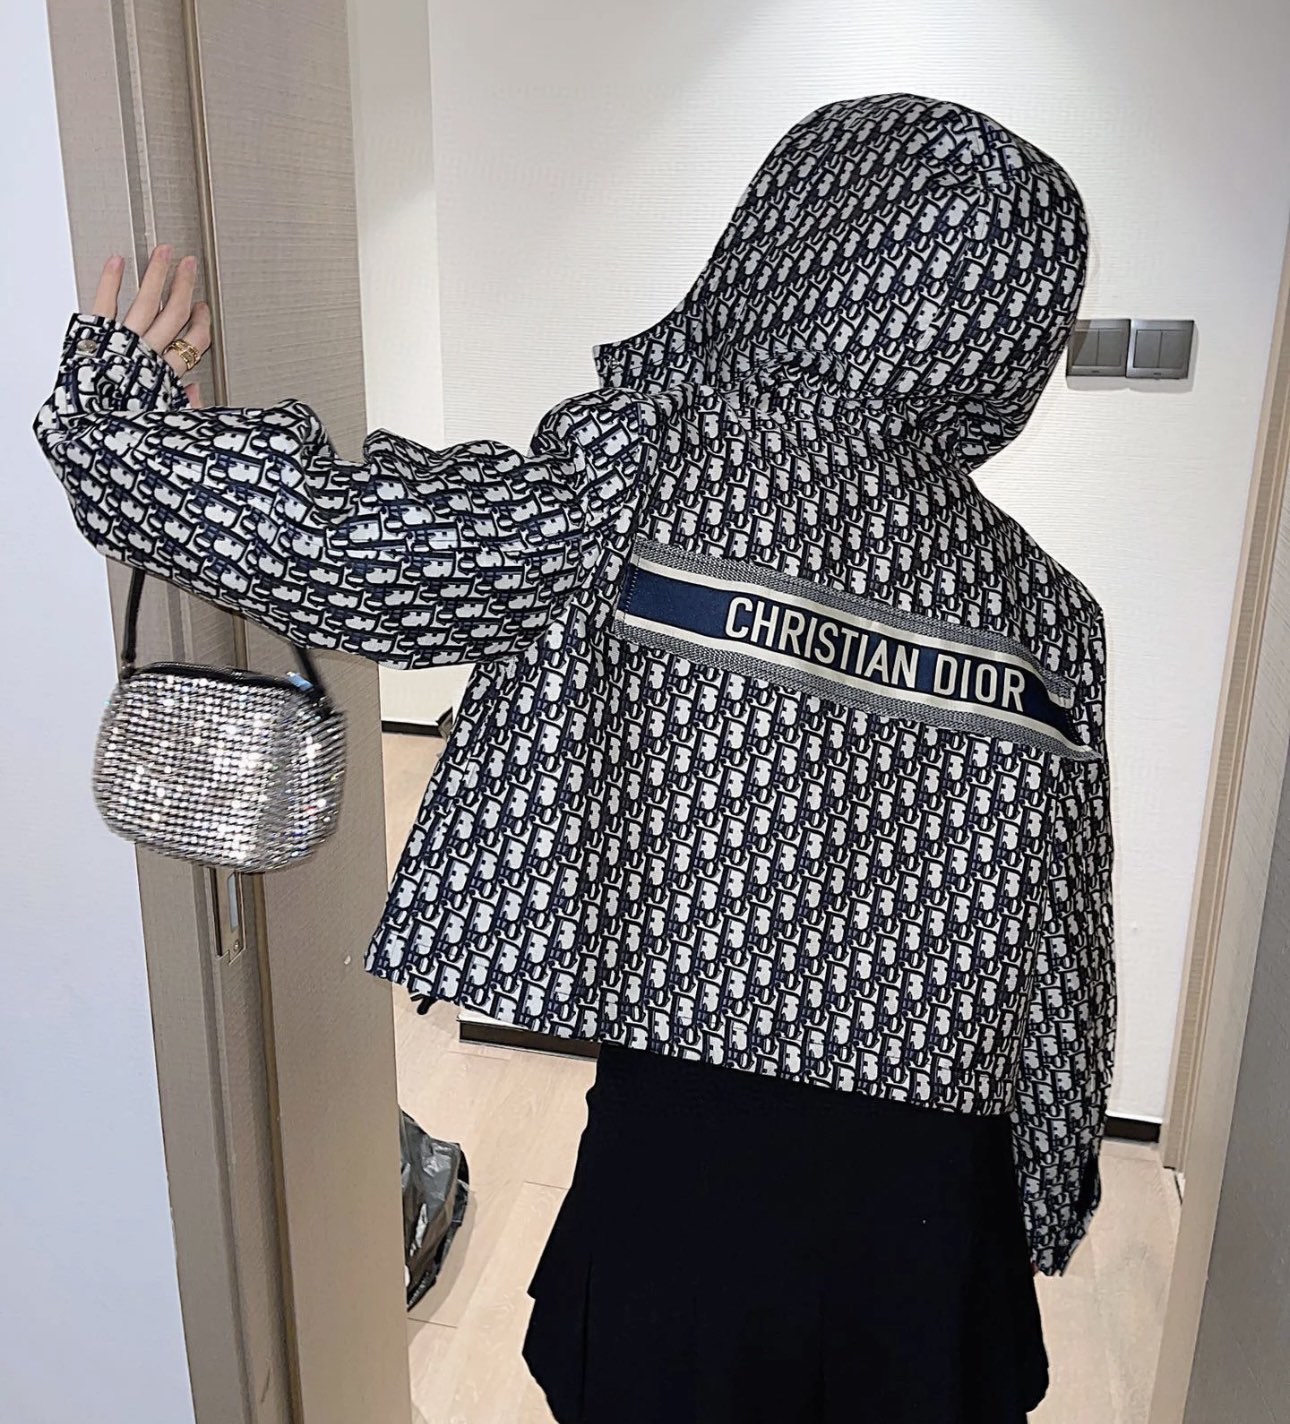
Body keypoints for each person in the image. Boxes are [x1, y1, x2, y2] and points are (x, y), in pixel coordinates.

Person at [36, 94, 1114, 1423]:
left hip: (695, 1201)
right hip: (937, 1227)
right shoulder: (1048, 615)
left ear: (796, 237)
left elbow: (356, 548)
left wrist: (120, 424)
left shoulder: (650, 475)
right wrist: (1046, 1192)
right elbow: (1066, 963)